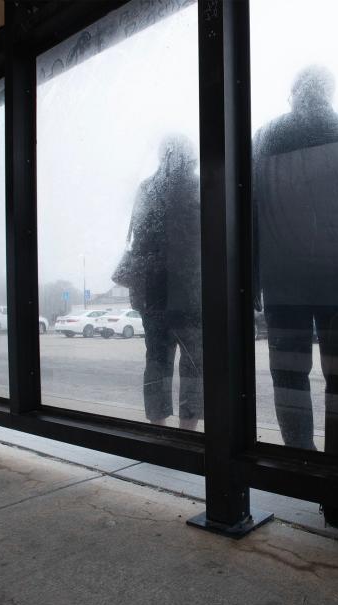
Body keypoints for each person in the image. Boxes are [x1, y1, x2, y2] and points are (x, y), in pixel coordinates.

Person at [253, 65, 338, 450]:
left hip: (281, 276)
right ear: (329, 91)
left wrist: (252, 276)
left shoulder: (263, 137)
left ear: (293, 91)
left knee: (289, 372)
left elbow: (248, 210)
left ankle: (300, 455)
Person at [126, 134, 203, 430]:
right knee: (194, 364)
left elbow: (139, 243)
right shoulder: (199, 188)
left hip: (154, 293)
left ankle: (158, 426)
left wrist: (139, 290)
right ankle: (188, 430)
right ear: (190, 155)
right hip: (192, 292)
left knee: (157, 361)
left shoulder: (147, 189)